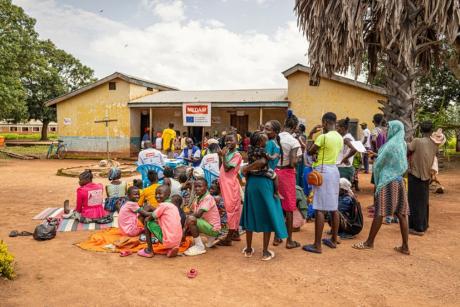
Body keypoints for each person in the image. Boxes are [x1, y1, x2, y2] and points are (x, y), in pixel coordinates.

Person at [352, 120, 410, 255]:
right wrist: (376, 155)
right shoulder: (402, 143)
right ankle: (405, 246)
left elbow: (379, 165)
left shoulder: (390, 145)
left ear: (395, 129)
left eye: (389, 128)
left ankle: (369, 242)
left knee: (380, 211)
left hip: (387, 181)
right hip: (399, 180)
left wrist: (374, 160)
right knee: (402, 214)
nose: (387, 130)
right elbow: (394, 161)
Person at [241, 121, 288, 260]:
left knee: (250, 213)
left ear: (275, 132)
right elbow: (263, 162)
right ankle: (265, 251)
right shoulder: (273, 145)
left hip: (253, 182)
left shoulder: (262, 143)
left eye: (268, 128)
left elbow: (260, 162)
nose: (265, 130)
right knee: (267, 215)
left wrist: (246, 169)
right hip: (266, 183)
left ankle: (249, 248)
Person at [303, 112, 343, 254]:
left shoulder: (323, 137)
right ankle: (333, 240)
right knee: (333, 207)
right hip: (334, 170)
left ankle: (317, 245)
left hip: (322, 171)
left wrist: (310, 134)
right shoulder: (339, 137)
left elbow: (309, 151)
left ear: (325, 122)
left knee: (319, 207)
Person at [274, 112, 302, 249]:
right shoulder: (293, 141)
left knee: (277, 204)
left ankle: (277, 237)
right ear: (295, 127)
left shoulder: (275, 138)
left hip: (274, 172)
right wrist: (297, 159)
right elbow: (292, 163)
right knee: (289, 208)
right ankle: (289, 240)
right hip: (287, 173)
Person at [407, 121, 440, 236]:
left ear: (420, 130)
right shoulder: (435, 143)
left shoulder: (416, 141)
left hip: (415, 175)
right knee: (423, 201)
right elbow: (436, 155)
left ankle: (417, 228)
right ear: (431, 131)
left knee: (414, 201)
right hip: (427, 175)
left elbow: (408, 150)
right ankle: (424, 225)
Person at [137, 185, 182, 258]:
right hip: (177, 241)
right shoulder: (173, 206)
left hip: (168, 240)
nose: (157, 196)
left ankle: (149, 250)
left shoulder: (163, 205)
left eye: (160, 194)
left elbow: (151, 217)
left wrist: (143, 213)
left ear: (168, 195)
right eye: (156, 194)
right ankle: (171, 248)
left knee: (146, 221)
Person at [183, 178, 222, 256]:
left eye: (200, 186)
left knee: (190, 219)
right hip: (209, 225)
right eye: (196, 186)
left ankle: (199, 246)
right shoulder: (199, 197)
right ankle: (211, 239)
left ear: (206, 187)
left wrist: (185, 222)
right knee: (188, 219)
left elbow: (198, 214)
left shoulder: (208, 198)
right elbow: (193, 212)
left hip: (213, 228)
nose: (197, 188)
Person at [218, 133, 243, 245]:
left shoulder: (237, 155)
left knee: (231, 208)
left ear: (236, 141)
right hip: (225, 184)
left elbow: (228, 168)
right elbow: (222, 167)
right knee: (232, 207)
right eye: (226, 141)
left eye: (231, 140)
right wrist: (221, 156)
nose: (228, 142)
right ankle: (236, 233)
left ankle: (228, 238)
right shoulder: (227, 152)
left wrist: (223, 156)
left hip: (230, 185)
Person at [246, 131, 280, 199]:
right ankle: (276, 192)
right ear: (260, 142)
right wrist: (276, 155)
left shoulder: (250, 148)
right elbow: (270, 158)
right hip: (263, 171)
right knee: (275, 176)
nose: (267, 143)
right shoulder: (263, 150)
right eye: (266, 141)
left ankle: (247, 184)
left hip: (252, 171)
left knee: (247, 175)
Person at [336, 117, 358, 183]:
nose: (336, 129)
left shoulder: (346, 138)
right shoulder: (347, 137)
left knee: (342, 191)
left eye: (337, 127)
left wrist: (345, 158)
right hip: (344, 168)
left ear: (342, 128)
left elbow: (354, 149)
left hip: (343, 168)